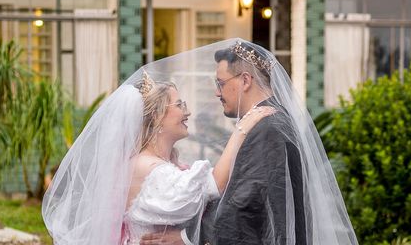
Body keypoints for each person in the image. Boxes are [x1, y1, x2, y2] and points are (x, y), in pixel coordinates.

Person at [140, 39, 358, 245]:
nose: (217, 92)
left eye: (220, 83)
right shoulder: (272, 120)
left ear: (245, 80)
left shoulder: (267, 128)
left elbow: (242, 206)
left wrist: (187, 236)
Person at [42, 64, 275, 245]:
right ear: (156, 118)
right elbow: (213, 185)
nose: (188, 111)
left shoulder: (163, 165)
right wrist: (243, 127)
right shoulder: (145, 167)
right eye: (180, 105)